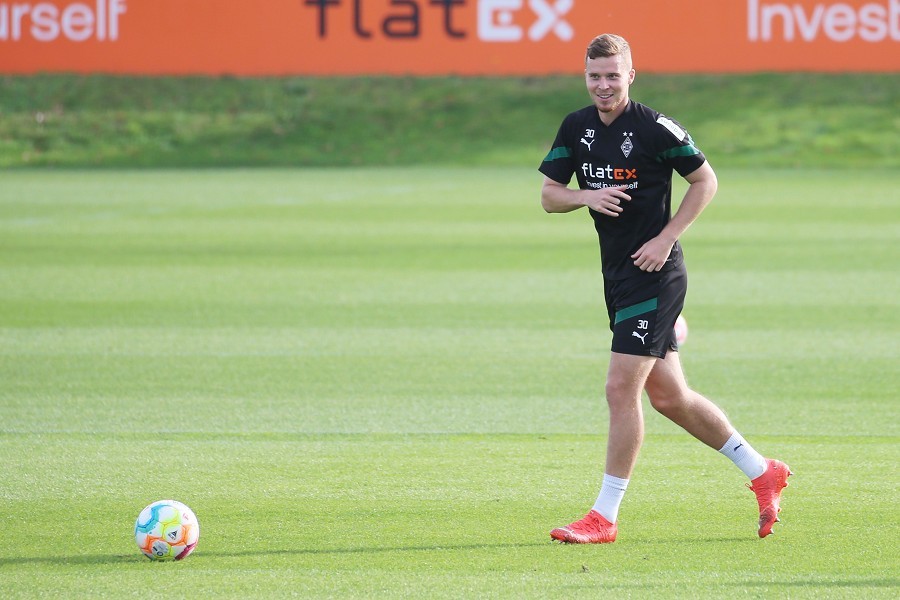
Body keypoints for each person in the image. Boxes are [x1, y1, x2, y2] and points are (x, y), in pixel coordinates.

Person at [538, 33, 791, 543]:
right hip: (618, 276)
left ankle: (604, 516)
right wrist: (587, 195)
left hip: (656, 273)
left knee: (619, 388)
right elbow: (549, 195)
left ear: (630, 75)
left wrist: (665, 237)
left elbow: (706, 181)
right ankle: (763, 471)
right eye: (595, 76)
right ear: (585, 77)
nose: (604, 85)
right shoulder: (576, 126)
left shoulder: (655, 127)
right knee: (670, 398)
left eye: (613, 76)